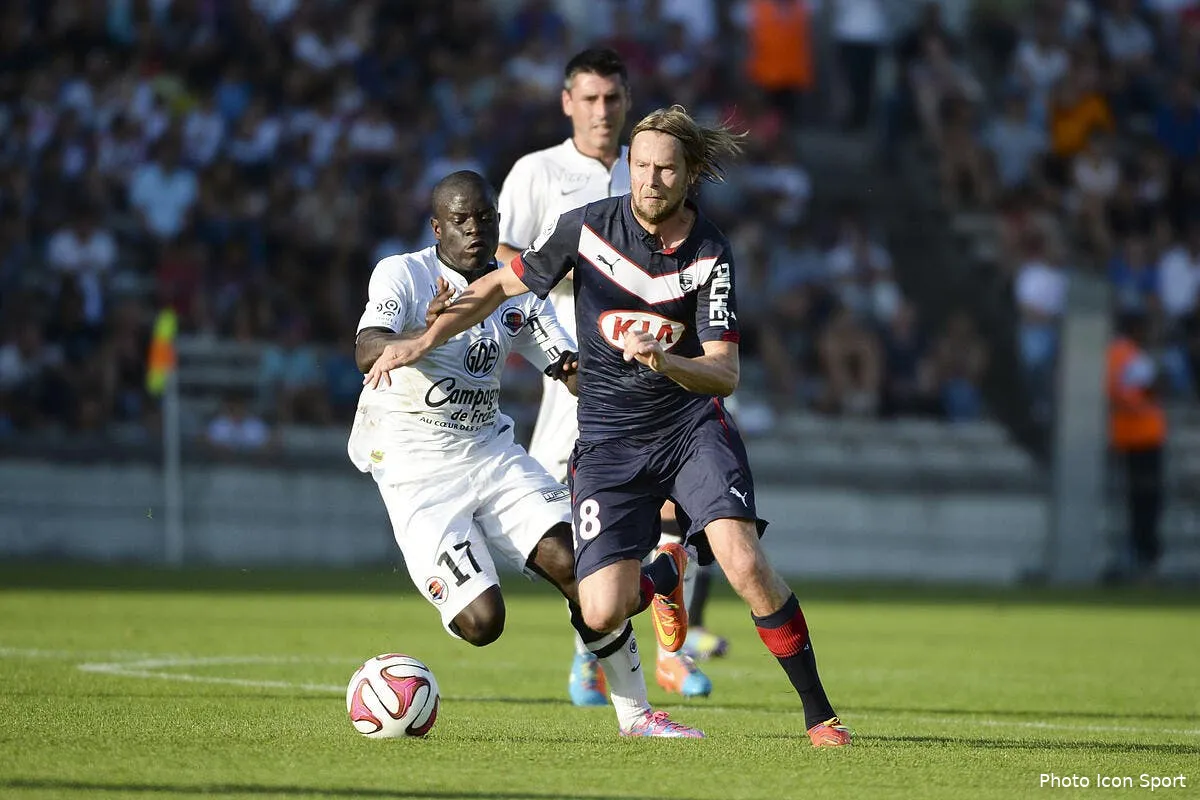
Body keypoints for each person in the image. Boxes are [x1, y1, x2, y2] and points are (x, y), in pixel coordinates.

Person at [365, 109, 852, 747]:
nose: (650, 179)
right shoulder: (588, 227)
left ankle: (819, 714)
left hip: (687, 427)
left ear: (689, 175)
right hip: (607, 442)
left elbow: (724, 373)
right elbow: (499, 288)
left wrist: (664, 360)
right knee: (599, 609)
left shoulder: (709, 251)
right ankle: (662, 575)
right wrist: (424, 337)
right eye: (642, 165)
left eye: (666, 169)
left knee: (742, 561)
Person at [350, 170, 701, 738]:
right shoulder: (404, 275)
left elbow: (571, 371)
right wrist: (420, 331)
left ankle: (638, 717)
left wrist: (653, 378)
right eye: (460, 221)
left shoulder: (514, 293)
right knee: (483, 623)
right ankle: (661, 574)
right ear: (436, 227)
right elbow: (367, 347)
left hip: (491, 454)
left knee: (582, 569)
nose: (474, 230)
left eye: (484, 218)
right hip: (415, 469)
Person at [495, 47, 721, 706]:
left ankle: (671, 656)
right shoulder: (537, 173)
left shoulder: (648, 167)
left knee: (677, 505)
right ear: (567, 101)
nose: (602, 111)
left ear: (627, 103)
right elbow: (504, 254)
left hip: (654, 367)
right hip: (572, 363)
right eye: (590, 99)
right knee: (577, 523)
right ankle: (590, 652)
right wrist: (577, 266)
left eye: (613, 99)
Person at [1104, 312, 1167, 584]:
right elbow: (1119, 393)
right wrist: (1143, 405)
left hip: (1143, 437)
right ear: (1136, 329)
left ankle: (1143, 557)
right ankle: (1143, 558)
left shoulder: (1128, 354)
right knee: (1144, 501)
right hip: (1138, 438)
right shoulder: (1123, 354)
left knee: (1145, 501)